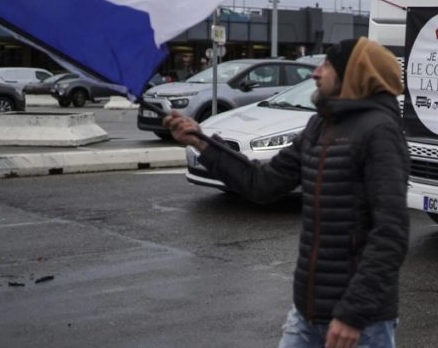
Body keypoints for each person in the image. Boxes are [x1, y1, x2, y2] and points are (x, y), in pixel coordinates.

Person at [163, 37, 409, 348]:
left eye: (327, 65)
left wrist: (353, 314)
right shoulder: (319, 126)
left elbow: (391, 233)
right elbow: (262, 183)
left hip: (361, 324)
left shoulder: (379, 132)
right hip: (307, 313)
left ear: (353, 74)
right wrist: (201, 142)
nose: (315, 73)